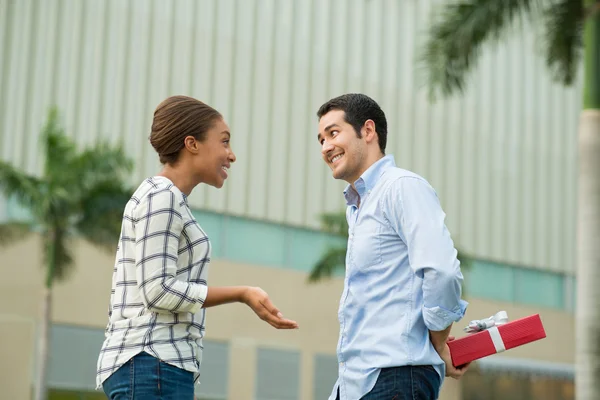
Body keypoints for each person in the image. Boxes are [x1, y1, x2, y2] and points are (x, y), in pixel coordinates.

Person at [96, 95, 298, 399]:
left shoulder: (170, 199)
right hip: (151, 362)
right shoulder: (161, 197)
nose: (231, 155)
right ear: (192, 144)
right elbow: (157, 291)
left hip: (157, 366)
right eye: (225, 142)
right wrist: (241, 293)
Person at [316, 93, 469, 400]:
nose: (325, 147)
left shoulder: (401, 187)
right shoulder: (358, 207)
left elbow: (442, 271)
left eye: (333, 133)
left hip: (397, 377)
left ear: (368, 131)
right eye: (320, 139)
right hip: (359, 382)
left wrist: (439, 342)